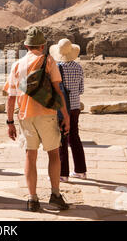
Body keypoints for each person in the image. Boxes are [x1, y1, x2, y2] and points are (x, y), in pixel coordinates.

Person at [4, 28, 70, 212]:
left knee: (30, 156)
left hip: (25, 116)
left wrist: (10, 122)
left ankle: (32, 198)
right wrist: (65, 115)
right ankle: (55, 195)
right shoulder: (48, 60)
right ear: (43, 45)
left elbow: (10, 97)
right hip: (47, 114)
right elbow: (58, 90)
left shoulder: (17, 65)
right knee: (54, 154)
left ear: (26, 45)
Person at [50, 39, 87, 182]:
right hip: (75, 106)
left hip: (61, 107)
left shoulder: (57, 68)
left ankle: (62, 174)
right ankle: (80, 170)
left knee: (62, 139)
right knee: (75, 137)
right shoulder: (78, 68)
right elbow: (81, 90)